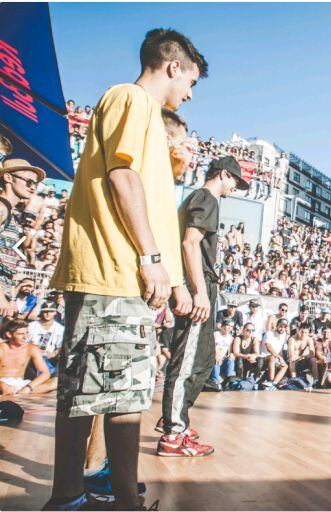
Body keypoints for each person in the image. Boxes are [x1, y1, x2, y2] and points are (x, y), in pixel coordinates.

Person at [45, 28, 207, 511]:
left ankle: (100, 497)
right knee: (104, 399)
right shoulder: (132, 99)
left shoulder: (147, 120)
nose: (190, 94)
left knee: (114, 396)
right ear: (173, 65)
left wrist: (173, 279)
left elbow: (149, 196)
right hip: (114, 271)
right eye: (191, 81)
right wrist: (151, 258)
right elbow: (122, 175)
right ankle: (84, 499)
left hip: (125, 277)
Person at [159, 156, 247, 457]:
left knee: (202, 359)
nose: (236, 186)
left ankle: (177, 416)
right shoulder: (207, 198)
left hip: (201, 283)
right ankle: (173, 432)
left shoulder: (200, 199)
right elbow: (189, 243)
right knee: (188, 361)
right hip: (199, 284)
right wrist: (198, 291)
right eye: (235, 180)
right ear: (222, 174)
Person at [1, 159, 46, 320]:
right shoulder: (1, 208)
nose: (32, 187)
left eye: (35, 183)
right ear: (8, 178)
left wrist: (9, 298)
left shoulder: (10, 213)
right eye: (28, 181)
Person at [0, 320, 57, 396]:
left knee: (56, 382)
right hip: (2, 383)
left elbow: (45, 373)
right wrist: (2, 385)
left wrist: (28, 387)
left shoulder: (31, 348)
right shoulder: (1, 349)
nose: (25, 337)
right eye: (21, 334)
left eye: (27, 333)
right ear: (9, 334)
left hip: (21, 384)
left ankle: (19, 392)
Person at [259, 318, 289, 390]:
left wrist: (281, 359)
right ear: (277, 326)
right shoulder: (269, 333)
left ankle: (273, 384)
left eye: (284, 327)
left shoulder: (284, 335)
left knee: (285, 366)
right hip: (263, 357)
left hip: (275, 357)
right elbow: (269, 347)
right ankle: (270, 380)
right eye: (280, 326)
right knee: (272, 357)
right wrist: (279, 357)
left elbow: (281, 349)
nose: (282, 328)